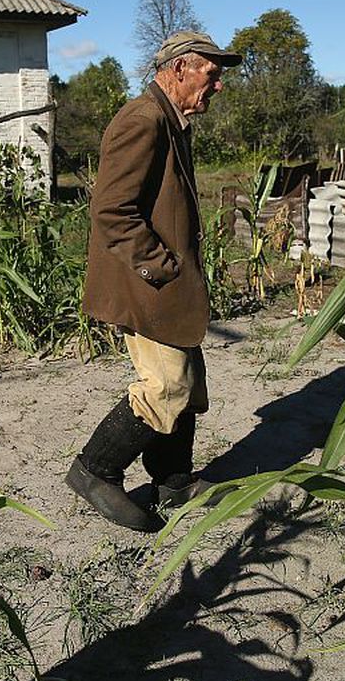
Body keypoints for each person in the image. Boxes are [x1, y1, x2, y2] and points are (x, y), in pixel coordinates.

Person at [65, 31, 242, 532]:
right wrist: (161, 267)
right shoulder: (142, 120)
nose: (219, 84)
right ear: (180, 67)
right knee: (165, 385)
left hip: (166, 283)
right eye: (212, 73)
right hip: (147, 284)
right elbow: (111, 211)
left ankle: (174, 482)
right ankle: (95, 471)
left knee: (187, 377)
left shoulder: (171, 120)